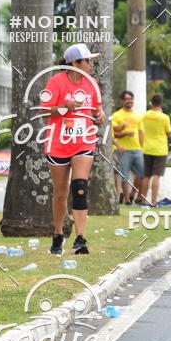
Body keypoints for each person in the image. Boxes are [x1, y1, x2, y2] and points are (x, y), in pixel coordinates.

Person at [42, 43, 106, 255]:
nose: (91, 64)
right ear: (74, 64)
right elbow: (44, 113)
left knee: (79, 187)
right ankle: (58, 234)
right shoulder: (55, 82)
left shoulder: (92, 83)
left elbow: (97, 107)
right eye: (87, 61)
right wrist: (65, 108)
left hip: (83, 141)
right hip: (58, 143)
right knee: (60, 193)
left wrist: (100, 114)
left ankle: (80, 239)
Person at [112, 91, 145, 205]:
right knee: (124, 176)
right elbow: (114, 133)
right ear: (122, 101)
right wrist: (124, 132)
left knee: (143, 175)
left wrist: (142, 147)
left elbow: (141, 132)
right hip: (123, 150)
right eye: (126, 99)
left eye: (131, 99)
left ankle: (135, 196)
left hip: (137, 149)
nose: (129, 101)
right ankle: (126, 199)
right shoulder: (117, 115)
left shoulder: (137, 115)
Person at [141, 93, 171, 207]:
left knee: (147, 176)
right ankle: (153, 202)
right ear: (160, 103)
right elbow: (168, 133)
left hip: (147, 148)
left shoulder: (145, 116)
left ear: (151, 103)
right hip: (160, 149)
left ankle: (143, 201)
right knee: (156, 176)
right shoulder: (164, 117)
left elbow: (142, 129)